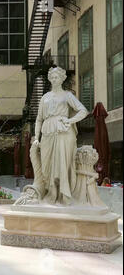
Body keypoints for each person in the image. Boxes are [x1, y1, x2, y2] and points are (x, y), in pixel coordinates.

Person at [33, 67, 88, 204]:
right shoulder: (45, 97)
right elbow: (39, 119)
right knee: (47, 166)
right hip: (47, 131)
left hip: (63, 131)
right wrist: (36, 138)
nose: (54, 79)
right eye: (52, 77)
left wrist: (70, 121)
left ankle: (61, 196)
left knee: (62, 164)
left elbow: (83, 111)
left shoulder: (67, 95)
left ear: (62, 79)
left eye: (56, 77)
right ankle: (50, 193)